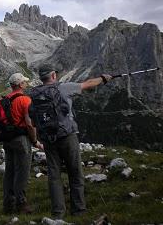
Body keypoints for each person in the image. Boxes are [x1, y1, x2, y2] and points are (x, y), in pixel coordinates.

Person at [29, 64, 112, 219]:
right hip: (67, 136)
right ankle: (79, 210)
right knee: (75, 173)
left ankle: (58, 214)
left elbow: (33, 122)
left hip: (48, 139)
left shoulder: (34, 95)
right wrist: (103, 78)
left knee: (54, 176)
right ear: (53, 75)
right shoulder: (63, 88)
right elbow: (87, 84)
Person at [2, 72, 43, 214]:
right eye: (24, 82)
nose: (26, 84)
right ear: (20, 84)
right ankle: (21, 204)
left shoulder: (5, 99)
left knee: (9, 172)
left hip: (7, 140)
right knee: (22, 172)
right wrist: (35, 141)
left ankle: (8, 205)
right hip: (21, 140)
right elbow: (30, 124)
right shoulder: (25, 100)